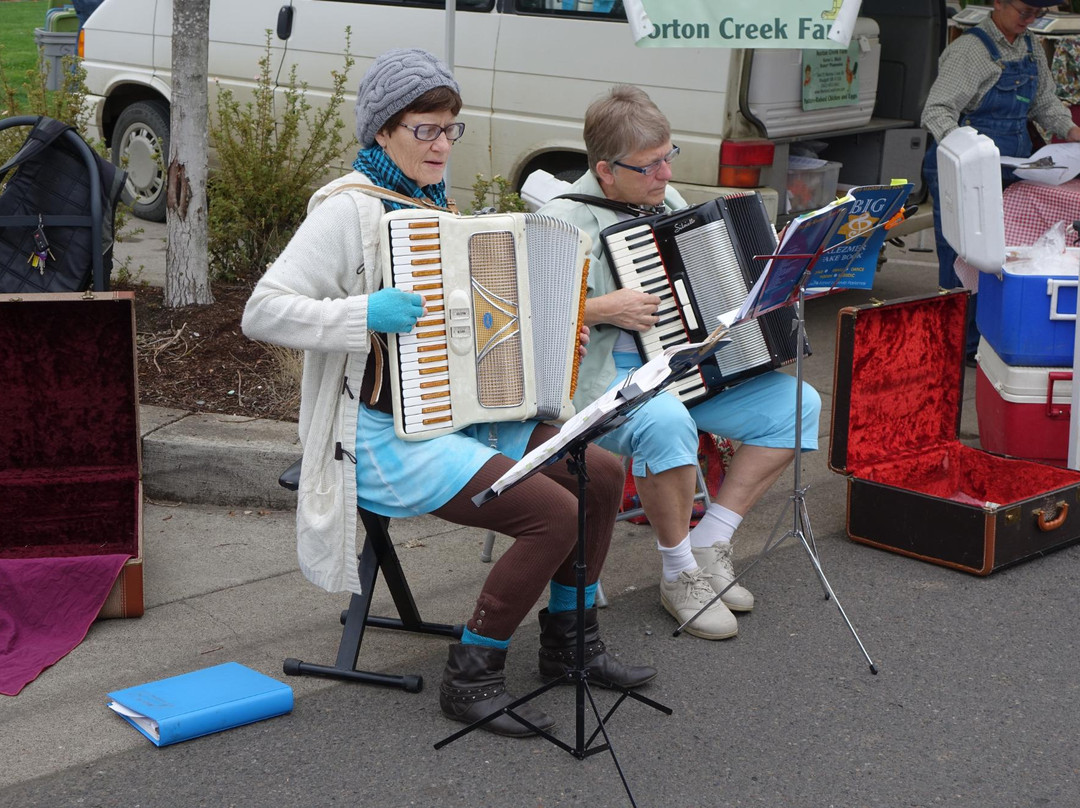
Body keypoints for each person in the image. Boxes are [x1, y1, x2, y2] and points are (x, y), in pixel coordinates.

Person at [242, 49, 656, 737]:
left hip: (459, 420)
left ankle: (568, 647)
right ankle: (473, 675)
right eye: (424, 129)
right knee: (552, 515)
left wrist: (551, 347)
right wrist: (361, 314)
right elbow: (262, 311)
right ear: (382, 131)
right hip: (380, 438)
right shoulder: (347, 212)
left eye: (450, 129)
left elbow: (479, 334)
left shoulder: (438, 208)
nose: (441, 145)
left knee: (602, 474)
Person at [539, 86, 821, 641]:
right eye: (651, 165)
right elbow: (528, 316)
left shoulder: (664, 204)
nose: (666, 174)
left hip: (682, 367)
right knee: (666, 421)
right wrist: (598, 308)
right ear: (605, 169)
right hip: (602, 383)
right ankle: (677, 575)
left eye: (670, 157)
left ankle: (710, 540)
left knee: (797, 404)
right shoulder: (560, 221)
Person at [921, 0, 1080, 360]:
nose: (1030, 20)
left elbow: (1045, 104)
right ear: (998, 2)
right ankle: (956, 346)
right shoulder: (970, 51)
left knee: (998, 252)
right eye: (1025, 11)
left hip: (1009, 163)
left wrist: (1071, 130)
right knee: (961, 252)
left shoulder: (1030, 47)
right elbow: (937, 110)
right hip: (962, 166)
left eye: (1037, 13)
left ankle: (987, 337)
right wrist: (965, 151)